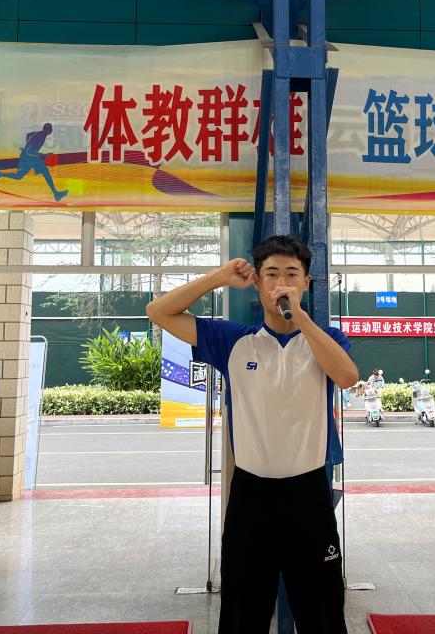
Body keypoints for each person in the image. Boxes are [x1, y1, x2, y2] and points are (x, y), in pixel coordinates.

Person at [146, 235, 358, 634]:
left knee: (323, 613)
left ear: (306, 283)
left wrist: (301, 317)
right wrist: (220, 276)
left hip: (309, 495)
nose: (281, 283)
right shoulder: (233, 340)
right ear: (257, 283)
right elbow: (158, 311)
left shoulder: (325, 339)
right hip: (250, 496)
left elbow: (347, 376)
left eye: (291, 274)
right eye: (272, 274)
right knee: (243, 613)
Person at [0, 123, 68, 201]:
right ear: (49, 130)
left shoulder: (39, 133)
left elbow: (28, 135)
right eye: (51, 129)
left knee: (22, 176)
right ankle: (56, 194)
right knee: (38, 172)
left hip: (30, 157)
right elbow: (30, 152)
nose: (51, 131)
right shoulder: (41, 136)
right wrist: (44, 155)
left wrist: (27, 146)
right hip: (27, 158)